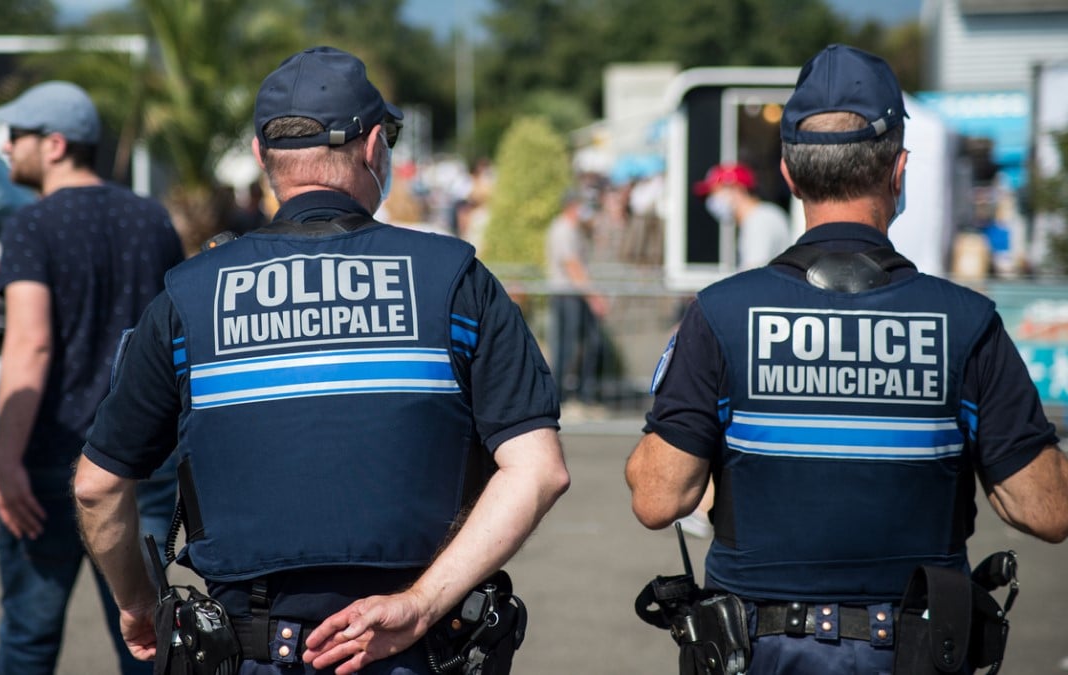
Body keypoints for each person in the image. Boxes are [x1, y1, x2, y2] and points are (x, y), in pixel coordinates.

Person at [73, 45, 570, 675]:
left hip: (248, 651)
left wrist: (138, 603)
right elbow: (538, 470)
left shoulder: (188, 296)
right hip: (413, 648)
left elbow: (98, 486)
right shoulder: (456, 280)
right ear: (371, 149)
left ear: (261, 156)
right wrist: (419, 605)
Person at [625, 44, 1068, 674]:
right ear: (899, 171)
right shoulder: (967, 323)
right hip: (915, 649)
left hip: (761, 651)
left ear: (788, 173)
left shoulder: (720, 315)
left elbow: (657, 498)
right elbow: (1046, 509)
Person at [0, 81, 184, 675]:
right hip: (142, 459)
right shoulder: (153, 220)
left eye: (15, 135)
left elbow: (30, 342)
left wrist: (5, 459)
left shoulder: (31, 226)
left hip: (51, 457)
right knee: (149, 637)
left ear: (53, 144)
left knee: (27, 639)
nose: (5, 147)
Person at [546, 190, 610, 417]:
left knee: (583, 344)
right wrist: (593, 296)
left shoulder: (574, 229)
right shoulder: (563, 229)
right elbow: (572, 265)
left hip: (574, 294)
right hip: (568, 294)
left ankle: (581, 394)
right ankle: (563, 395)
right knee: (568, 346)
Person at [694, 161, 791, 271]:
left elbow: (753, 276)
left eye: (715, 193)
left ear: (737, 189)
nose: (711, 200)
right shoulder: (758, 218)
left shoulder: (760, 220)